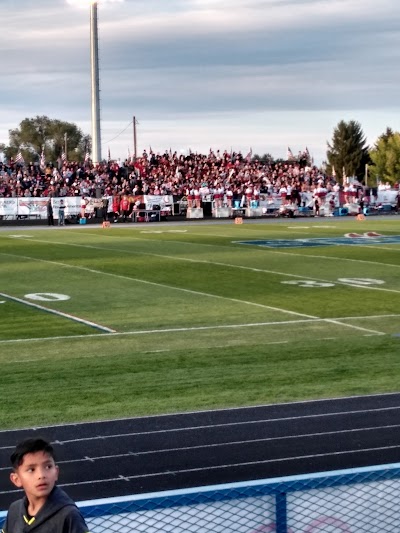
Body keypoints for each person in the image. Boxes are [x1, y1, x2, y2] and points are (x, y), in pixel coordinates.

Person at [1, 437, 90, 533]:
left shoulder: (68, 515)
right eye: (31, 469)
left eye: (48, 467)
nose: (41, 475)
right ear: (16, 479)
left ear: (56, 472)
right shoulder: (15, 510)